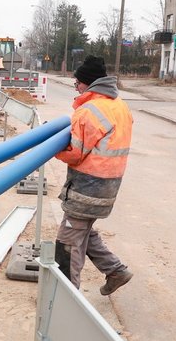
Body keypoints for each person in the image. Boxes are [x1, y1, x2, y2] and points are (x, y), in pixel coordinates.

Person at [54, 55, 134, 295]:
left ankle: (65, 300)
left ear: (88, 83)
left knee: (67, 242)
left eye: (77, 82)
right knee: (85, 231)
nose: (76, 87)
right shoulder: (119, 105)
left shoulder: (88, 111)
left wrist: (55, 148)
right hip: (108, 186)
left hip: (87, 188)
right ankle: (116, 271)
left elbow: (74, 154)